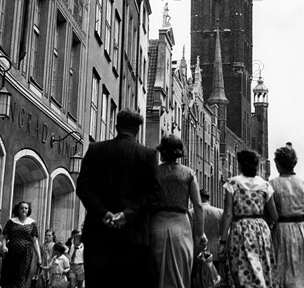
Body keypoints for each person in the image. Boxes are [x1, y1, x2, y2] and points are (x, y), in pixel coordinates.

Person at [76, 108, 161, 288]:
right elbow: (154, 195)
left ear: (116, 126)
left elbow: (83, 187)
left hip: (98, 236)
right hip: (134, 238)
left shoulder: (95, 149)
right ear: (137, 131)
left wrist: (103, 213)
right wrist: (127, 215)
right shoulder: (148, 155)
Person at [151, 134, 208, 288]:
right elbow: (198, 205)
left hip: (157, 224)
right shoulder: (189, 174)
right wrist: (200, 233)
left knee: (157, 273)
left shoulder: (154, 172)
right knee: (181, 273)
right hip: (181, 225)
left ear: (162, 152)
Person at [219, 149, 278, 288]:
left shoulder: (232, 184)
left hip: (240, 229)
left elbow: (228, 214)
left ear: (240, 165)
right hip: (261, 231)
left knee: (241, 268)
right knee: (262, 267)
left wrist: (222, 240)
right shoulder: (265, 185)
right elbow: (274, 215)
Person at [270, 144, 304, 288]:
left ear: (278, 164)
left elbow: (268, 214)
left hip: (281, 232)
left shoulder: (271, 185)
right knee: (302, 274)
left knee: (281, 274)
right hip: (302, 233)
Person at [0, 201, 42, 288]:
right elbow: (5, 238)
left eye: (26, 208)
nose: (23, 210)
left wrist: (39, 257)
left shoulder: (32, 223)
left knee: (21, 277)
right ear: (18, 210)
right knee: (9, 277)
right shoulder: (11, 221)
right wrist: (4, 246)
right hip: (11, 253)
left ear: (28, 210)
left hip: (26, 254)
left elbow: (35, 241)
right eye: (21, 208)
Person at [190, 189, 223, 271]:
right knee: (215, 280)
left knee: (197, 281)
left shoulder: (191, 213)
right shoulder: (220, 212)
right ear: (209, 199)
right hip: (215, 254)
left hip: (197, 255)